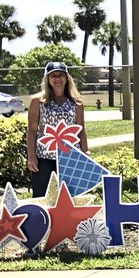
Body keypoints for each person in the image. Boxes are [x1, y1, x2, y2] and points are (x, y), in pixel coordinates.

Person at [26, 62, 87, 198]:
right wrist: (31, 155)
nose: (57, 79)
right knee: (42, 197)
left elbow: (81, 129)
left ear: (67, 78)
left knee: (71, 197)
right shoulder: (38, 101)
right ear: (47, 79)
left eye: (61, 75)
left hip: (71, 157)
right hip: (44, 157)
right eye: (53, 75)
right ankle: (42, 220)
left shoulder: (76, 102)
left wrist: (85, 152)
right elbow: (32, 130)